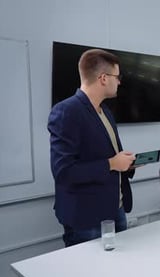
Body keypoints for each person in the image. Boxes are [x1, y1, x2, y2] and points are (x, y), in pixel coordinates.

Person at [48, 49, 136, 247]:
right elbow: (64, 172)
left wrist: (125, 164)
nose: (119, 82)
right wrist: (112, 163)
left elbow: (107, 158)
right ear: (103, 78)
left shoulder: (105, 111)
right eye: (117, 76)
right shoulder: (66, 111)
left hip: (115, 208)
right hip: (87, 217)